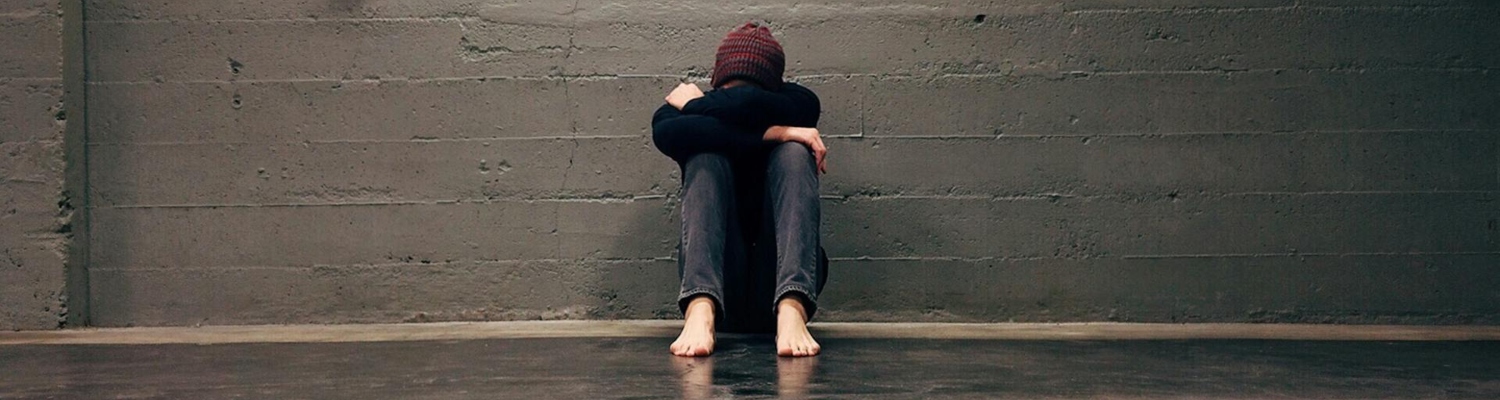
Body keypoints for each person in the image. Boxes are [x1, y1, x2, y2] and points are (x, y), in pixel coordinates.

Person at [651, 22, 829, 357]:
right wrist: (775, 131)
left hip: (777, 281)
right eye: (729, 89)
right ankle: (699, 308)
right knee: (704, 155)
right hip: (720, 287)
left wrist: (697, 104)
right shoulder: (675, 116)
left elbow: (747, 104)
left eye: (750, 88)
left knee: (794, 152)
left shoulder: (798, 102)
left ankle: (793, 307)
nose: (739, 95)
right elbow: (667, 134)